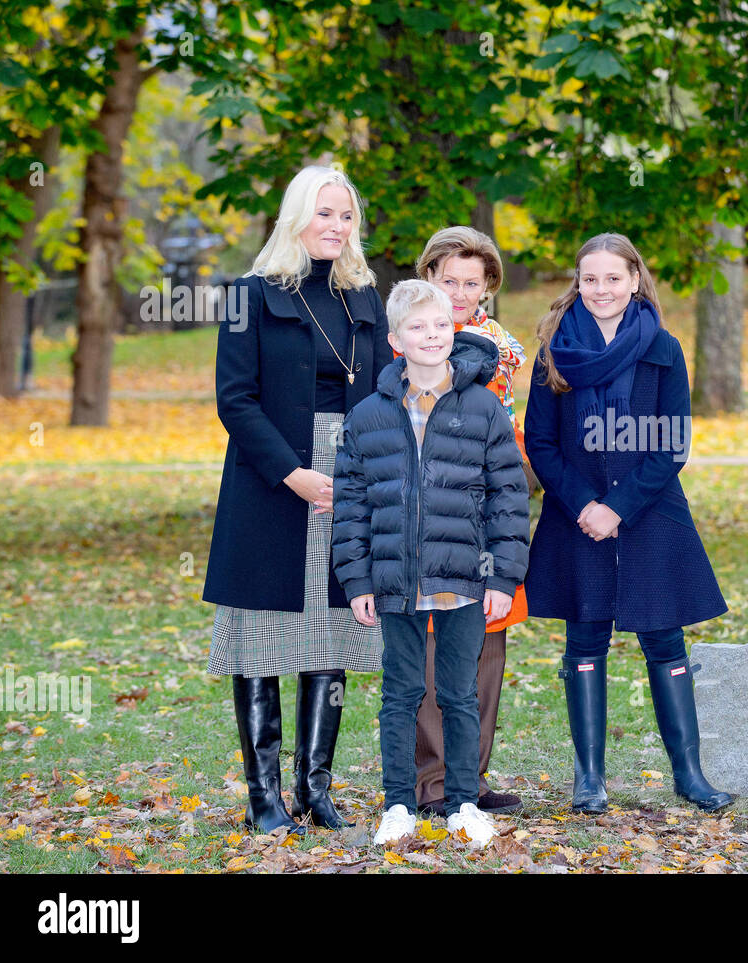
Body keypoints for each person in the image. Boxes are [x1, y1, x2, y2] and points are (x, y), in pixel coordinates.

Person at [203, 165, 392, 834]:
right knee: (261, 639)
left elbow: (382, 390)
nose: (336, 226)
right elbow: (235, 399)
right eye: (324, 213)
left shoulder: (364, 297)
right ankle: (264, 798)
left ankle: (316, 789)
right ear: (295, 217)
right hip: (271, 481)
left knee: (331, 629)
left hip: (349, 476)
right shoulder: (246, 294)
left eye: (346, 216)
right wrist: (293, 472)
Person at [523, 232, 734, 815]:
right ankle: (589, 779)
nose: (601, 290)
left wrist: (619, 507)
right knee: (585, 636)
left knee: (664, 638)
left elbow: (671, 445)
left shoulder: (663, 348)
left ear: (635, 279)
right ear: (577, 281)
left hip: (649, 512)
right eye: (589, 279)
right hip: (576, 514)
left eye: (613, 278)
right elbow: (540, 442)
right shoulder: (555, 350)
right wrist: (587, 505)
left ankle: (690, 775)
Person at [332, 279, 529, 848]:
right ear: (396, 339)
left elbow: (508, 499)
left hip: (467, 578)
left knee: (459, 693)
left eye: (440, 326)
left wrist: (502, 575)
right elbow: (351, 504)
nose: (431, 336)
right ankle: (397, 803)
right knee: (400, 693)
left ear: (455, 331)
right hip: (396, 581)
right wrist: (358, 578)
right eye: (417, 327)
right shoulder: (368, 415)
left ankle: (464, 800)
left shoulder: (484, 407)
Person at [409, 226, 529, 817]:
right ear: (427, 278)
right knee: (434, 649)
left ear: (489, 287)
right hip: (433, 516)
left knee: (486, 644)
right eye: (448, 280)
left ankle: (470, 781)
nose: (459, 293)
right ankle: (430, 784)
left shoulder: (500, 348)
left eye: (471, 283)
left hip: (489, 510)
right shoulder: (411, 343)